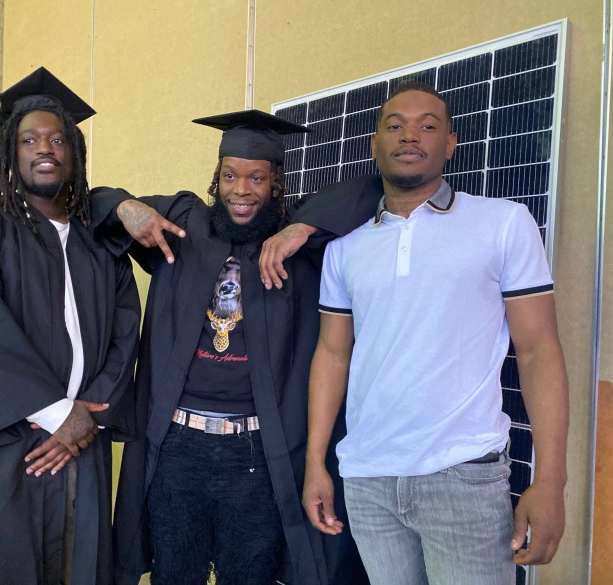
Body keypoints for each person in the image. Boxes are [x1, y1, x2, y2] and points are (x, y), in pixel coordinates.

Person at [90, 110, 382, 585]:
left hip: (257, 451)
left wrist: (299, 229)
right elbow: (93, 201)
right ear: (216, 177)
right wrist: (126, 206)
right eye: (229, 176)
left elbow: (373, 190)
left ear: (277, 183)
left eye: (257, 178)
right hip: (177, 446)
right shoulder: (183, 223)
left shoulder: (298, 243)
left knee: (249, 574)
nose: (241, 190)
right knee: (175, 572)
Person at [303, 82, 569, 585]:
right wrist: (318, 462)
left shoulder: (504, 223)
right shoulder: (345, 247)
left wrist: (551, 479)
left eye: (428, 125)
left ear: (450, 144)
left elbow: (538, 352)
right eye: (395, 125)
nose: (411, 135)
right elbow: (332, 354)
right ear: (374, 145)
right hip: (367, 476)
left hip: (462, 477)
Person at [0, 67, 140, 585]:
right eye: (29, 139)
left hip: (83, 441)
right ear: (10, 152)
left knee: (78, 562)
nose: (45, 148)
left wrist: (86, 417)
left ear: (74, 153)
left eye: (57, 138)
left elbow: (124, 333)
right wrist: (54, 414)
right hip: (7, 443)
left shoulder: (99, 242)